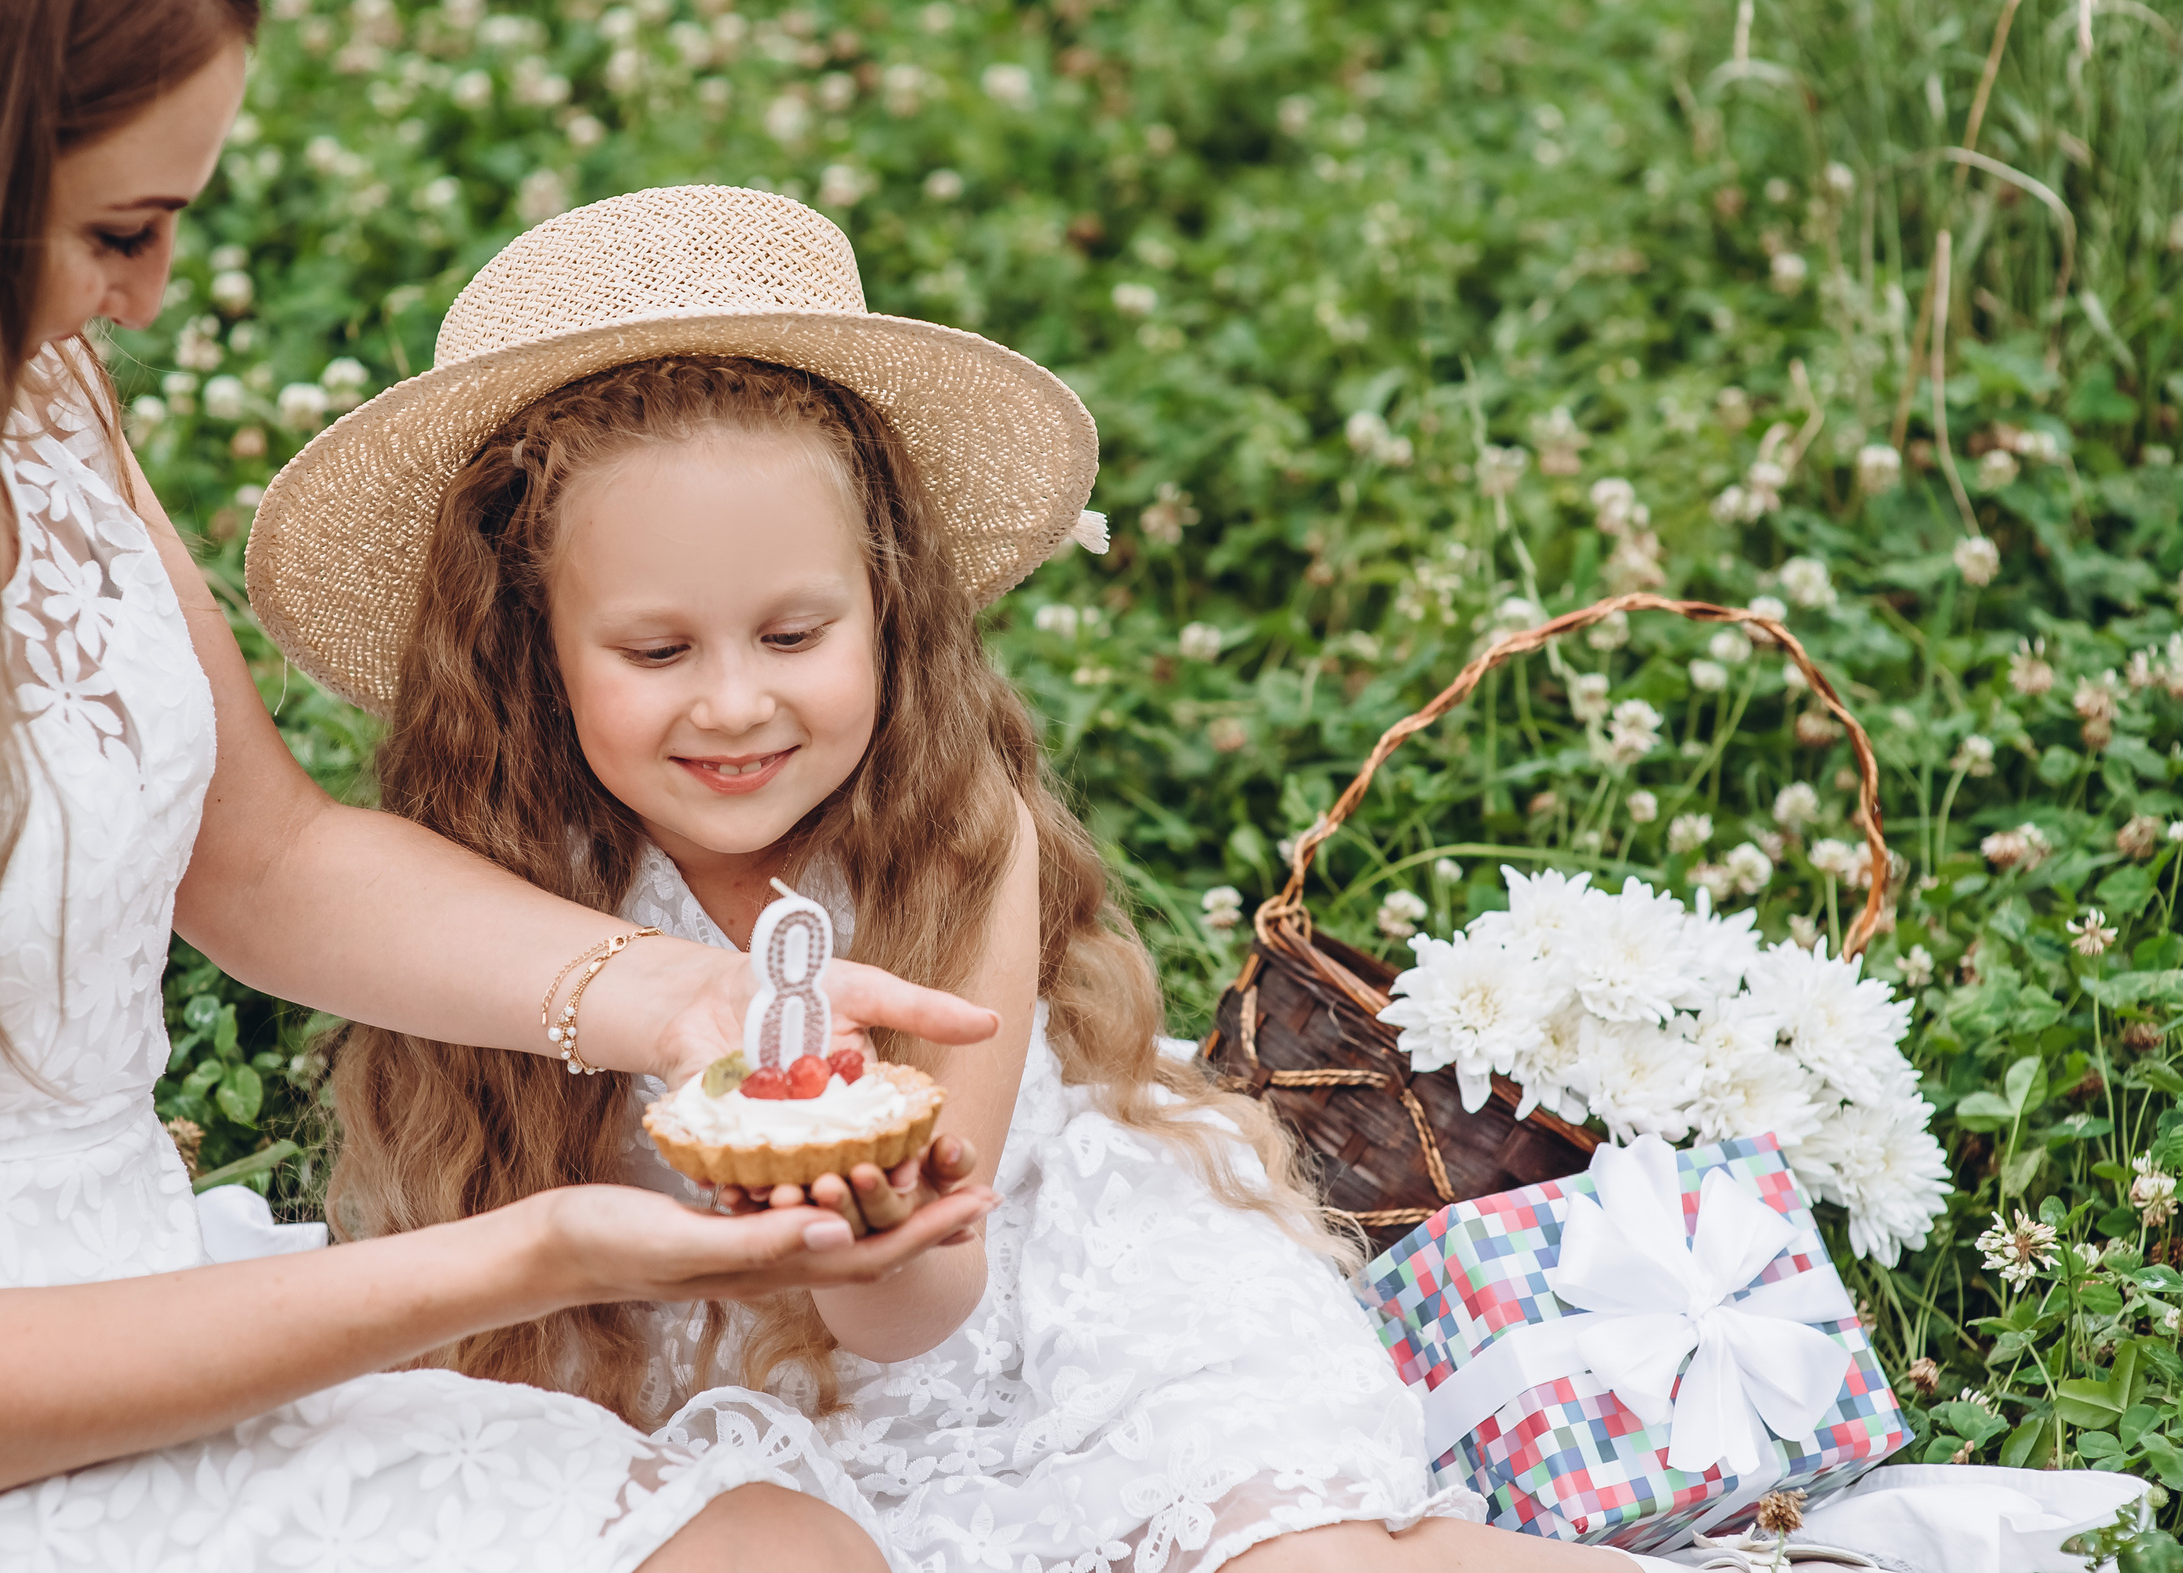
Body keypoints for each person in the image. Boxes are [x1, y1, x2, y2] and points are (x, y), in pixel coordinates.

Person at [0, 0, 1002, 1569]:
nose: (148, 294)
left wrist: (692, 1001)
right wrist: (545, 1251)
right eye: (120, 227)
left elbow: (264, 860)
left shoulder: (19, 387)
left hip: (138, 1269)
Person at [247, 184, 1644, 1573]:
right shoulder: (495, 882)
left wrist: (881, 1226)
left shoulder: (953, 826)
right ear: (531, 648)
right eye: (657, 652)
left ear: (887, 602)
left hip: (1030, 1312)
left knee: (1298, 1559)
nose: (734, 704)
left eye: (795, 632)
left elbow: (929, 1315)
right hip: (677, 1372)